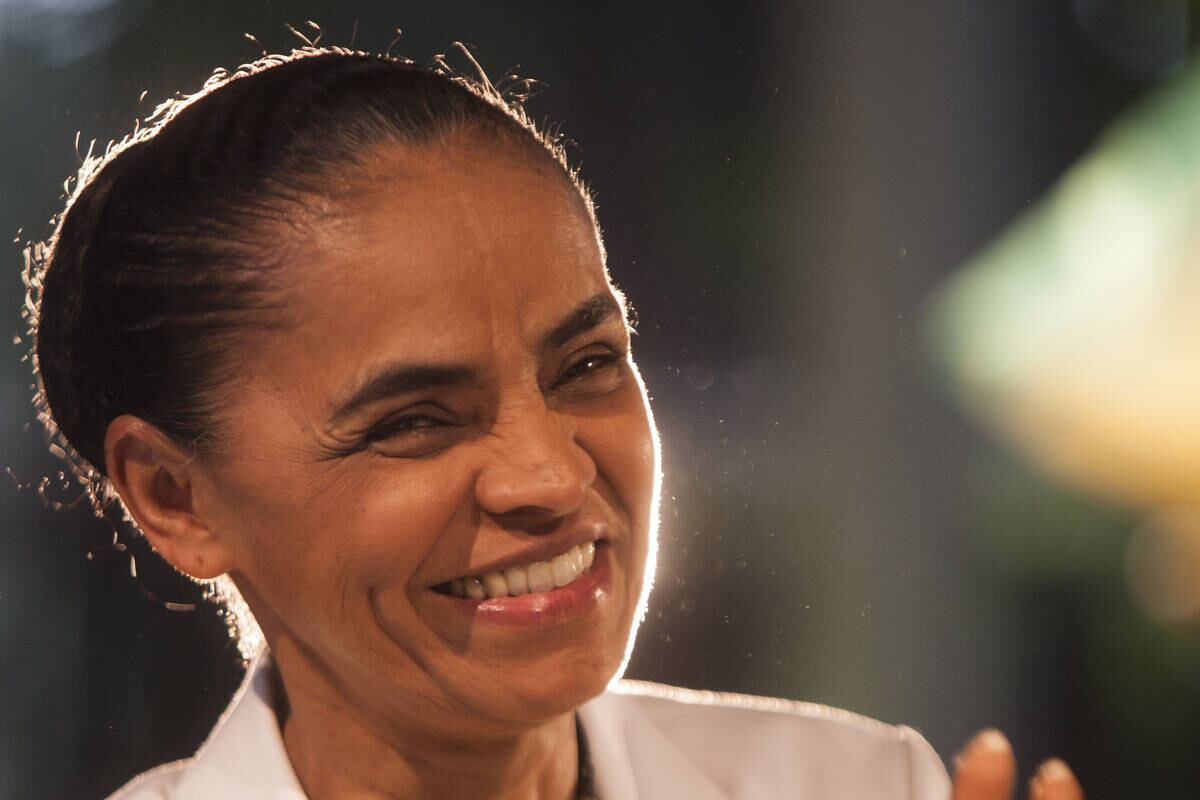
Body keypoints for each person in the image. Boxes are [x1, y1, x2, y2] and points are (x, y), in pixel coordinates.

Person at [23, 43, 1084, 799]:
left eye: (586, 366)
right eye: (415, 420)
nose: (551, 474)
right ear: (177, 496)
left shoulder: (855, 783)